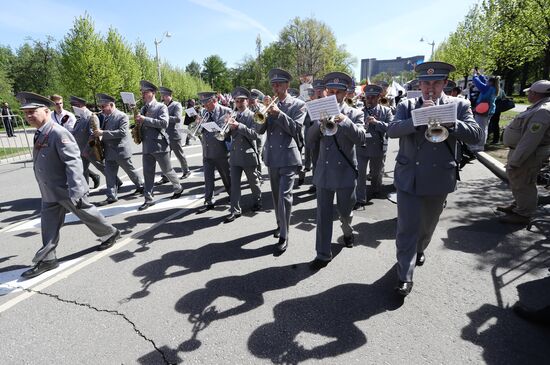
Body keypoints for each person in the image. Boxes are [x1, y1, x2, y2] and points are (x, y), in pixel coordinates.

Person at [387, 61, 482, 297]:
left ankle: (420, 248)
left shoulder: (460, 105)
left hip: (440, 176)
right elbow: (392, 130)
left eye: (436, 83)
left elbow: (476, 135)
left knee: (427, 227)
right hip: (410, 176)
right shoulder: (407, 105)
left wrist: (452, 123)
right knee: (406, 228)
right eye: (426, 83)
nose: (430, 88)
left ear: (445, 84)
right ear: (419, 84)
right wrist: (417, 120)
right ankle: (404, 275)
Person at [16, 92, 120, 279]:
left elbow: (73, 163)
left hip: (65, 189)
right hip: (49, 190)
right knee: (48, 225)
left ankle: (110, 233)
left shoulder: (58, 132)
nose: (28, 116)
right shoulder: (41, 132)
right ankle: (48, 258)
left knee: (85, 212)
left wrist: (77, 190)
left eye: (32, 111)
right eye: (26, 113)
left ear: (46, 111)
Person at [307, 72, 366, 270]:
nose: (333, 94)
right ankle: (322, 254)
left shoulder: (355, 113)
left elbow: (361, 138)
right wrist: (318, 123)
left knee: (345, 212)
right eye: (330, 91)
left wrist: (345, 121)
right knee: (323, 216)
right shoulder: (317, 111)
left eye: (338, 91)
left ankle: (347, 232)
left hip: (345, 172)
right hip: (324, 172)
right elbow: (308, 140)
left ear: (345, 93)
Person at [257, 68, 306, 254]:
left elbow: (296, 129)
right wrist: (264, 112)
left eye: (279, 84)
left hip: (288, 157)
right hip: (272, 157)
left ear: (287, 85)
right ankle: (280, 224)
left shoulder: (298, 105)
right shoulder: (269, 105)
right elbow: (259, 130)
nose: (275, 87)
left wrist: (278, 114)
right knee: (276, 197)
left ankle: (285, 234)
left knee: (285, 197)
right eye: (273, 84)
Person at [498, 80, 550, 225]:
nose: (528, 94)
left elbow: (530, 140)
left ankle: (524, 214)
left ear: (535, 93)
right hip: (522, 152)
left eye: (530, 92)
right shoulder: (539, 107)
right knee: (518, 181)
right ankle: (518, 205)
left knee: (524, 182)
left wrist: (516, 160)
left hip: (528, 155)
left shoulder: (543, 111)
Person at [136, 80, 183, 211]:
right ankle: (148, 199)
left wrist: (145, 119)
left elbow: (164, 123)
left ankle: (178, 187)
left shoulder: (161, 107)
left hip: (159, 145)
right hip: (146, 146)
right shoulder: (143, 108)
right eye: (142, 92)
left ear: (153, 93)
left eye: (145, 92)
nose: (143, 94)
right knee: (148, 173)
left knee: (167, 170)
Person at [93, 93, 144, 206]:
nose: (101, 109)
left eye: (103, 107)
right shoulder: (105, 117)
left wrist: (103, 133)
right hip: (109, 151)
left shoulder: (121, 116)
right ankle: (111, 196)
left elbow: (122, 132)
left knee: (130, 170)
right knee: (109, 174)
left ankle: (141, 185)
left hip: (120, 151)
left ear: (111, 105)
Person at [224, 87, 262, 223]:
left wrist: (238, 126)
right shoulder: (232, 115)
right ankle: (235, 210)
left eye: (241, 101)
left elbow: (256, 135)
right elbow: (227, 136)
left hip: (248, 154)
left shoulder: (254, 115)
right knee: (234, 184)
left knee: (253, 182)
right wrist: (226, 128)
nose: (239, 104)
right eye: (237, 101)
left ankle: (257, 201)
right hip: (234, 155)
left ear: (247, 101)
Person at [68, 96, 118, 190]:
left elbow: (93, 135)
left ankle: (116, 182)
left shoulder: (91, 117)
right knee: (82, 170)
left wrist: (87, 150)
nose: (72, 108)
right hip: (81, 150)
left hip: (91, 149)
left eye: (73, 106)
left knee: (102, 167)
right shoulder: (81, 117)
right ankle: (84, 190)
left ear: (79, 105)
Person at [356, 84, 393, 208]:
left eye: (372, 97)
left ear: (378, 97)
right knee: (360, 173)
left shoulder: (386, 111)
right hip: (361, 147)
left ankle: (375, 189)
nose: (369, 100)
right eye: (368, 97)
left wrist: (377, 123)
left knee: (376, 172)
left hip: (378, 146)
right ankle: (360, 198)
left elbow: (392, 128)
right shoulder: (359, 111)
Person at [196, 91, 232, 212]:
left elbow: (227, 130)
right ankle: (209, 200)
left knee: (226, 177)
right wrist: (198, 124)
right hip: (207, 150)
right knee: (208, 178)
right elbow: (200, 131)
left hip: (221, 151)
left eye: (206, 102)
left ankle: (233, 196)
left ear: (214, 100)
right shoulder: (204, 112)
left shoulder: (226, 111)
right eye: (203, 103)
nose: (204, 105)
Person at [155, 87, 191, 184]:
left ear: (170, 96)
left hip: (174, 134)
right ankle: (165, 176)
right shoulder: (162, 105)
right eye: (162, 96)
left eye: (165, 96)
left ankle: (186, 170)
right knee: (165, 157)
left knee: (179, 154)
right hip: (164, 135)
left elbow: (178, 119)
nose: (163, 97)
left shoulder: (177, 105)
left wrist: (165, 118)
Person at [302, 80, 326, 193]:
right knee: (315, 161)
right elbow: (306, 122)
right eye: (317, 90)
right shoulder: (310, 104)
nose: (319, 92)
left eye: (321, 90)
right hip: (316, 137)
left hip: (329, 138)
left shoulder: (331, 103)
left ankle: (328, 183)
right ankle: (316, 184)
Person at [488, 77, 506, 144]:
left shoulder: (491, 89)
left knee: (490, 123)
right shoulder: (500, 90)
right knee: (495, 124)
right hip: (498, 109)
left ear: (492, 82)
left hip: (491, 108)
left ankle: (488, 137)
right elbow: (504, 97)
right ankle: (496, 139)